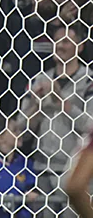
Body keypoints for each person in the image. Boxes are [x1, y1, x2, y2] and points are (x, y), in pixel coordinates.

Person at [20, 25, 93, 205]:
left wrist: (61, 101)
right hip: (41, 172)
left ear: (80, 46)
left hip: (74, 172)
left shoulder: (88, 81)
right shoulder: (39, 80)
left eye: (66, 41)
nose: (59, 46)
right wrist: (36, 106)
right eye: (56, 41)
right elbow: (22, 132)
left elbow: (90, 126)